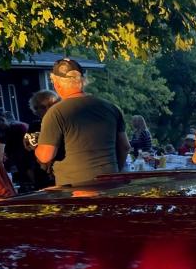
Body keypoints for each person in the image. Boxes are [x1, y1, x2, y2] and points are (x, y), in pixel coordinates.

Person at [35, 58, 130, 187]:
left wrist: (36, 147)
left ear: (56, 84)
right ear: (82, 81)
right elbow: (125, 146)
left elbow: (45, 156)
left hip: (75, 188)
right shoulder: (110, 107)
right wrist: (115, 171)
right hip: (110, 183)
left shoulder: (55, 113)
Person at [22, 89, 60, 189]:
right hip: (43, 175)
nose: (48, 109)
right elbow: (29, 152)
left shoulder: (63, 123)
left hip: (63, 172)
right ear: (35, 110)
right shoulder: (34, 126)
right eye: (43, 107)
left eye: (52, 105)